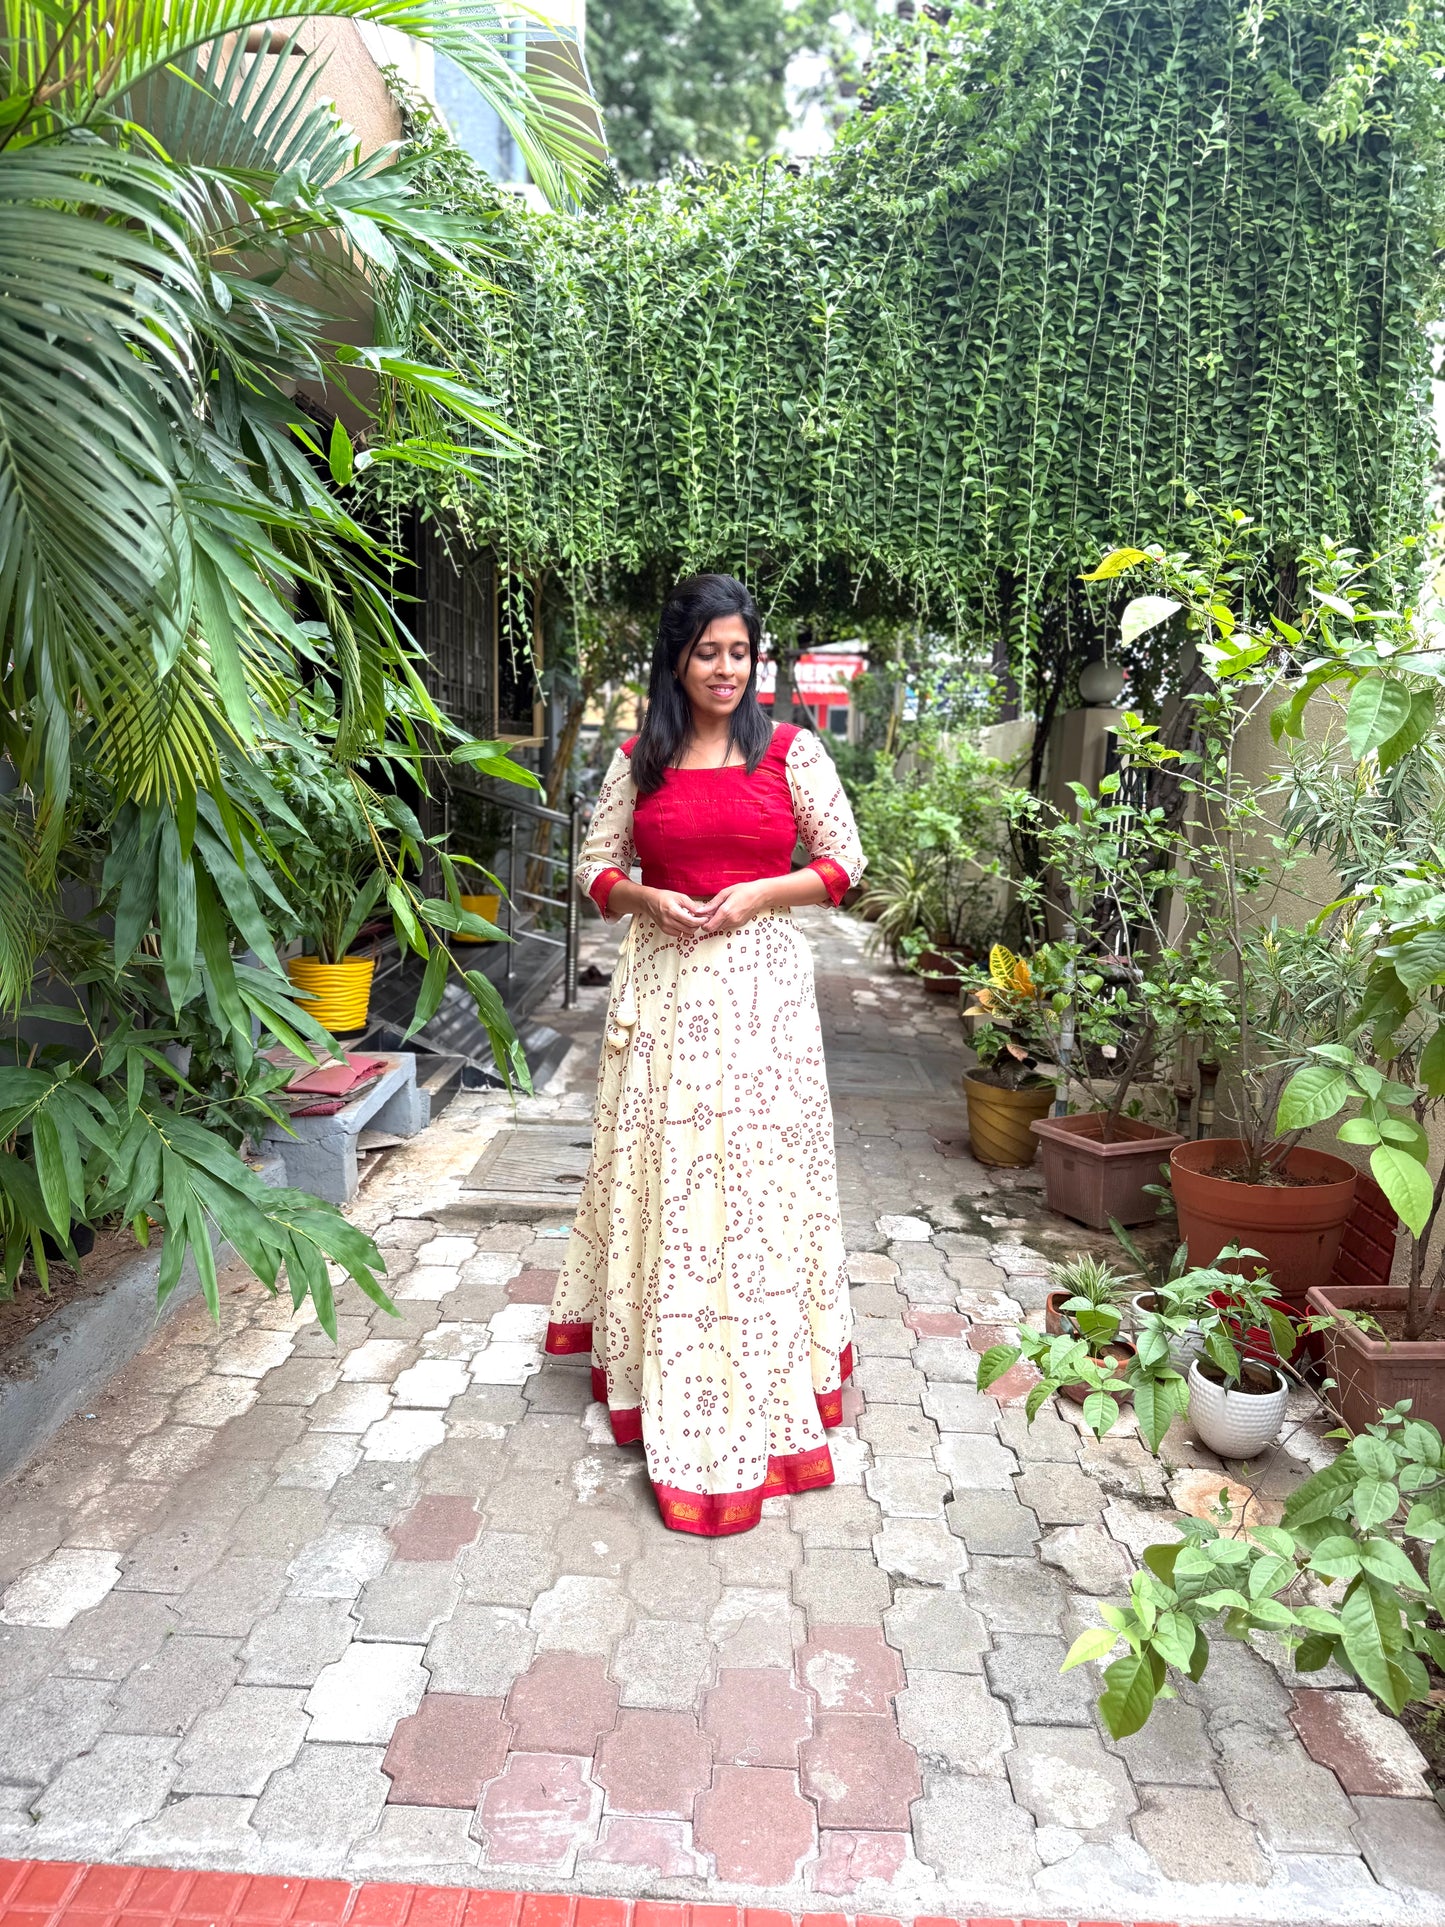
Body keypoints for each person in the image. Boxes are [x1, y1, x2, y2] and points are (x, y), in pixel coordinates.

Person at [544, 573, 866, 1536]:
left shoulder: (793, 753)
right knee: (670, 1174)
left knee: (754, 1177)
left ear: (755, 660)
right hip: (661, 990)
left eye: (740, 652)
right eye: (707, 651)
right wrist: (645, 899)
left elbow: (845, 861)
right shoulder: (638, 760)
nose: (726, 669)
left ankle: (767, 1354)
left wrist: (761, 895)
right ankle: (664, 1355)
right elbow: (592, 865)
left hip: (762, 996)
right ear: (676, 660)